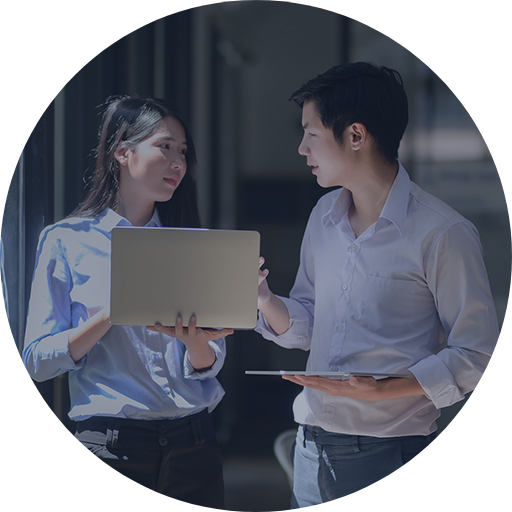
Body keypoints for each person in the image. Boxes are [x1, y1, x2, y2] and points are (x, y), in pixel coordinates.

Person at [256, 62, 498, 510]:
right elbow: (309, 323)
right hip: (310, 450)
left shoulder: (442, 232)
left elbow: (479, 354)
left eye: (310, 133)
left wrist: (385, 389)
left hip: (384, 457)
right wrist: (264, 299)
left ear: (355, 135)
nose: (301, 147)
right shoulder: (324, 216)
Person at [22, 96, 232, 510]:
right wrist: (111, 314)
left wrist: (196, 344)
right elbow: (37, 361)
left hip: (193, 445)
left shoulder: (191, 244)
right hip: (107, 448)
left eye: (183, 152)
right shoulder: (67, 241)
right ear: (122, 151)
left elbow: (210, 361)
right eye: (165, 146)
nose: (178, 162)